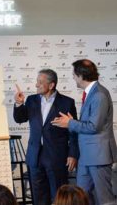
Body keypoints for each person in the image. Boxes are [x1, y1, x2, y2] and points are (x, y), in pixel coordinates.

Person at [51, 59, 117, 205]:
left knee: (104, 199)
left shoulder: (99, 94)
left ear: (81, 75)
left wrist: (70, 123)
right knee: (82, 198)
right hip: (86, 156)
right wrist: (71, 122)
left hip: (98, 157)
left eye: (74, 74)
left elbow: (94, 126)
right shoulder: (91, 93)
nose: (73, 77)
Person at [13, 69, 79, 205]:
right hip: (35, 157)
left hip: (57, 157)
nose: (36, 85)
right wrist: (19, 103)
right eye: (37, 81)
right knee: (38, 197)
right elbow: (20, 118)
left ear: (51, 85)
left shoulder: (67, 102)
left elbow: (73, 132)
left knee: (59, 197)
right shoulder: (31, 100)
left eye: (40, 82)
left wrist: (73, 154)